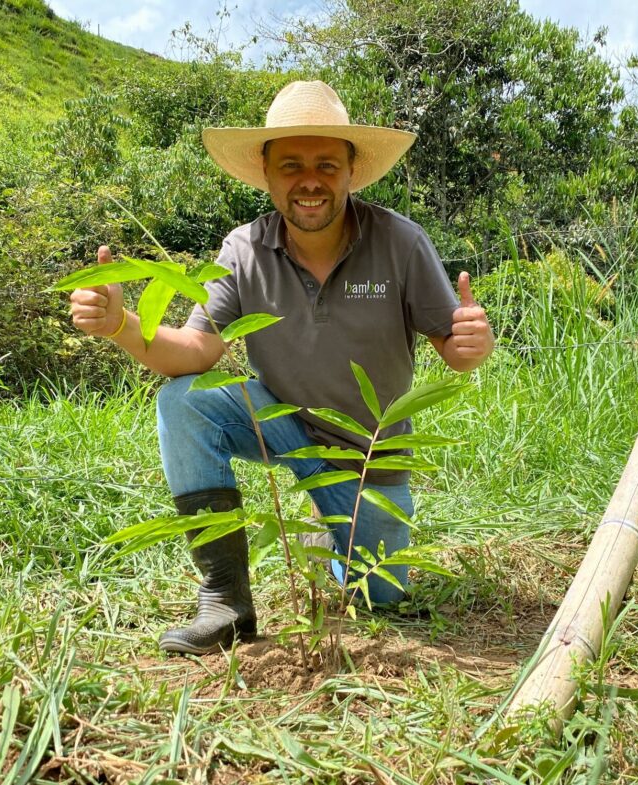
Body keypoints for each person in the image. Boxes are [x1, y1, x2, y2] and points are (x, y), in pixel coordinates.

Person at [69, 81, 494, 655]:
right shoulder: (243, 250)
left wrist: (472, 343)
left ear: (351, 172)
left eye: (326, 164)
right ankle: (225, 600)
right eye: (290, 165)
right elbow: (196, 352)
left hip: (369, 457)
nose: (309, 180)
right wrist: (122, 325)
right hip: (284, 425)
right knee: (184, 401)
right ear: (266, 174)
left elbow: (456, 346)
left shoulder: (400, 242)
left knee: (381, 602)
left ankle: (333, 537)